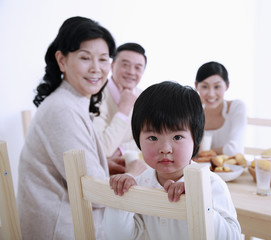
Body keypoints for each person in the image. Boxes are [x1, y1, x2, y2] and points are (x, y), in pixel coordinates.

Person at [17, 16, 116, 240]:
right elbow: (96, 194)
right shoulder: (62, 109)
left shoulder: (70, 101)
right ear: (62, 60)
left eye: (103, 59)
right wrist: (137, 173)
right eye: (85, 58)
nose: (97, 69)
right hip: (62, 230)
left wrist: (103, 164)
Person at [102, 81, 241, 239]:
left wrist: (199, 202)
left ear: (196, 139)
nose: (165, 148)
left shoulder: (211, 185)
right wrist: (120, 200)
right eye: (153, 137)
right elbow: (120, 237)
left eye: (177, 137)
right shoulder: (139, 184)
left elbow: (233, 237)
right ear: (137, 139)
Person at [93, 42, 147, 160]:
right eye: (125, 65)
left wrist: (121, 150)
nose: (131, 72)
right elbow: (102, 148)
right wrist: (124, 110)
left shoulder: (145, 97)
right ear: (112, 66)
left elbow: (151, 143)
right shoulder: (95, 95)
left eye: (138, 67)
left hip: (136, 168)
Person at [195, 61, 247, 156]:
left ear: (227, 86)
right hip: (199, 170)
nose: (211, 94)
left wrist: (202, 153)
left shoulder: (236, 107)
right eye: (205, 86)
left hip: (232, 169)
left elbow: (234, 149)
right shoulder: (192, 111)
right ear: (196, 86)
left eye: (217, 86)